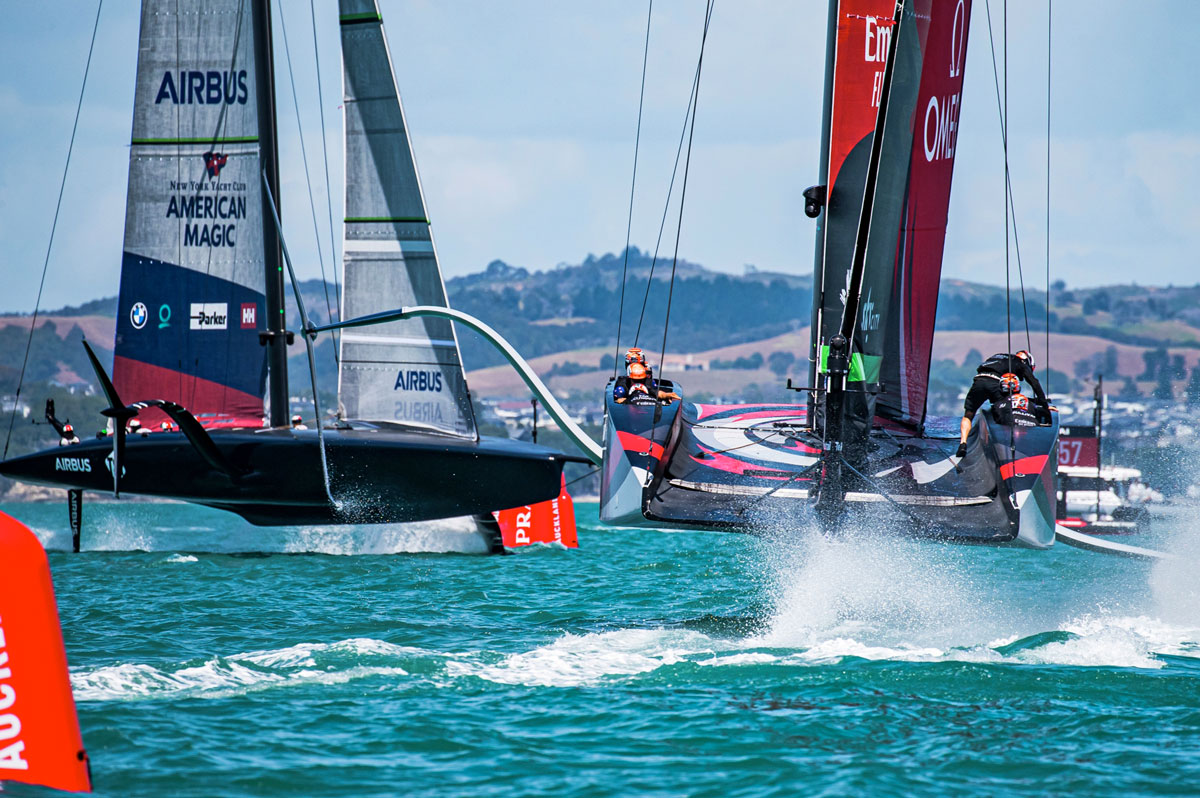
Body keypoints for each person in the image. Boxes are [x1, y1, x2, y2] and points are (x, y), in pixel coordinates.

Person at [957, 350, 1050, 457]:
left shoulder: (997, 357)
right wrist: (1044, 404)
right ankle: (1007, 445)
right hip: (995, 383)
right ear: (1026, 361)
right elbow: (1034, 383)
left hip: (979, 381)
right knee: (1005, 410)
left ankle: (963, 444)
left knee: (968, 415)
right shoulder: (1019, 362)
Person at [614, 361, 680, 406]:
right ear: (629, 379)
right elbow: (618, 402)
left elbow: (657, 393)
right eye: (634, 380)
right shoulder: (622, 388)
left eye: (641, 380)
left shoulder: (648, 386)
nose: (638, 383)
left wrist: (666, 395)